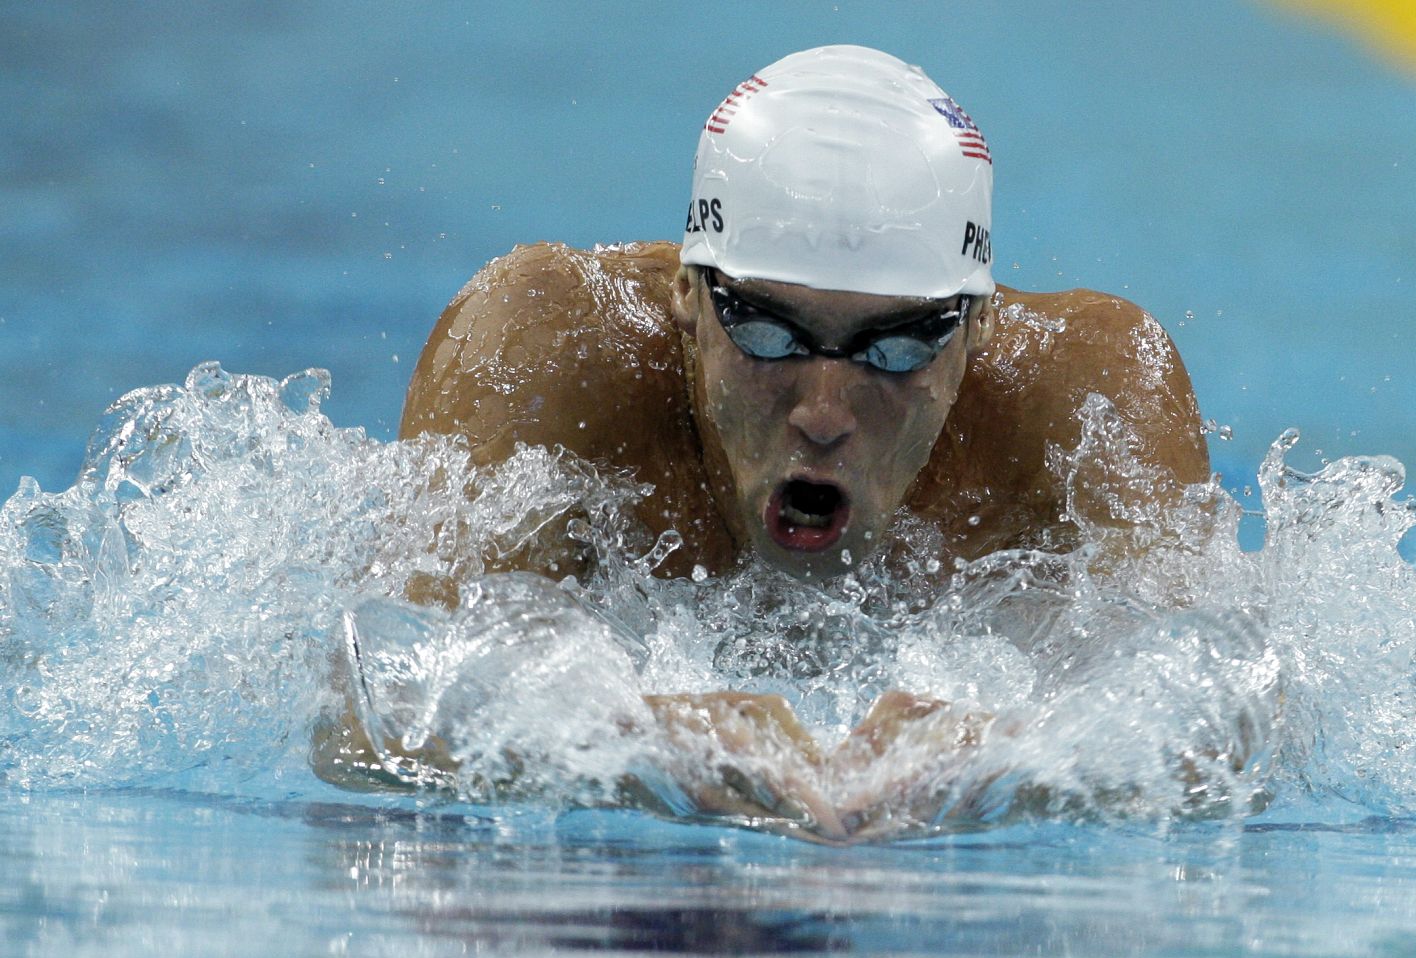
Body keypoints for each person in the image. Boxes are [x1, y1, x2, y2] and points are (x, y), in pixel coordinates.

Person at [330, 46, 1213, 840]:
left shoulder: (1090, 400)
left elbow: (1219, 716)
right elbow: (368, 707)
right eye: (768, 333)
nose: (823, 412)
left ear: (975, 327)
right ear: (689, 293)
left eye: (896, 347)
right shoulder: (547, 352)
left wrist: (1023, 756)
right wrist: (623, 736)